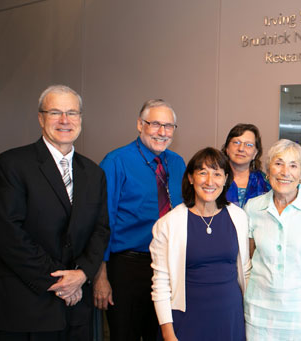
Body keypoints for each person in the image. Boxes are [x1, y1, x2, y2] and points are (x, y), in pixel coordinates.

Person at [0, 84, 110, 339]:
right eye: (55, 112)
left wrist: (83, 273)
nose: (65, 120)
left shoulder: (93, 173)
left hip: (76, 312)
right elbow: (8, 233)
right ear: (41, 118)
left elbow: (101, 229)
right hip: (27, 309)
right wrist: (60, 282)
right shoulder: (11, 165)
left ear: (81, 119)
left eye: (72, 113)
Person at [93, 99, 186, 340]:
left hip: (167, 267)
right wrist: (101, 276)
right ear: (139, 124)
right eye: (155, 124)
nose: (162, 132)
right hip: (127, 267)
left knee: (161, 333)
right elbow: (103, 221)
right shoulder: (116, 162)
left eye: (169, 126)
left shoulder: (177, 163)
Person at [150, 147, 251, 340]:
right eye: (202, 173)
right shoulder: (168, 224)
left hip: (230, 319)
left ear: (225, 179)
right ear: (190, 177)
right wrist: (168, 334)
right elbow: (161, 284)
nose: (210, 181)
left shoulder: (239, 217)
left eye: (217, 174)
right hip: (187, 320)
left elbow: (245, 270)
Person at [244, 139, 301, 340]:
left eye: (293, 165)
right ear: (268, 170)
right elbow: (248, 260)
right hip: (260, 314)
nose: (285, 172)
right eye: (278, 163)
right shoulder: (252, 207)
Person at [221, 123, 270, 207]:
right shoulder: (213, 179)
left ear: (255, 153)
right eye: (236, 142)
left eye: (249, 145)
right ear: (227, 149)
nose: (241, 149)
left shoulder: (267, 183)